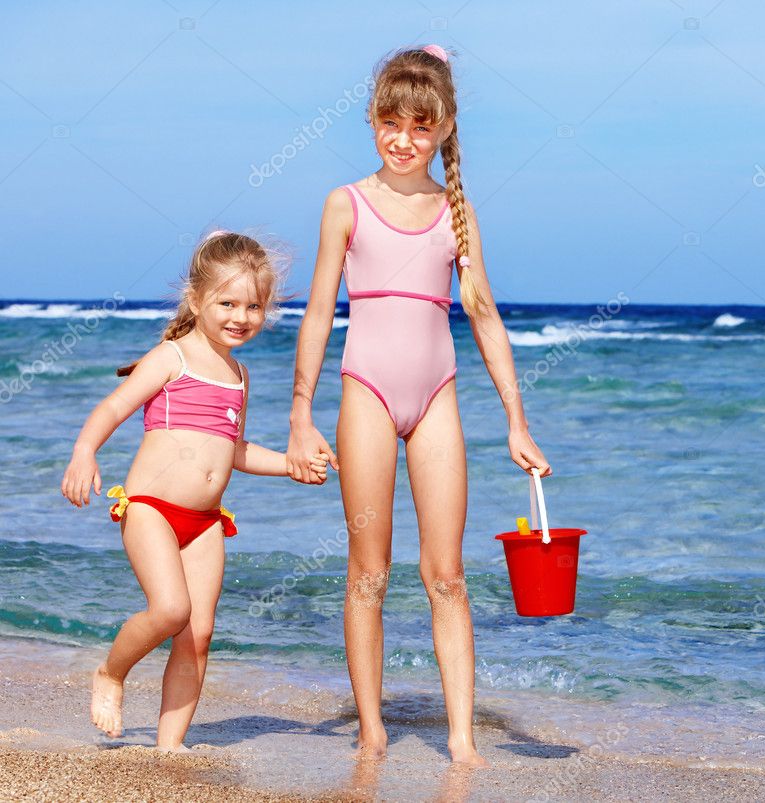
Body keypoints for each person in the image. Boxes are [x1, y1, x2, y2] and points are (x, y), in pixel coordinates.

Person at [286, 44, 552, 765]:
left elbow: (486, 316)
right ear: (372, 121)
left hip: (436, 397)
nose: (403, 139)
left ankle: (462, 739)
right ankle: (372, 731)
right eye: (389, 122)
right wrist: (300, 414)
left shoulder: (455, 212)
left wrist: (516, 422)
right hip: (365, 392)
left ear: (443, 129)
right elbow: (315, 315)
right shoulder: (345, 203)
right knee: (367, 570)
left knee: (446, 575)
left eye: (420, 126)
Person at [61, 231, 329, 751]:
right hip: (152, 509)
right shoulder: (171, 356)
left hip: (206, 522)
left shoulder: (238, 374)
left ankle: (169, 747)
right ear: (196, 300)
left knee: (197, 636)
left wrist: (293, 465)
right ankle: (111, 673)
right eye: (227, 302)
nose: (240, 316)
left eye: (253, 305)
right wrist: (83, 452)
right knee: (169, 611)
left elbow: (236, 450)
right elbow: (113, 408)